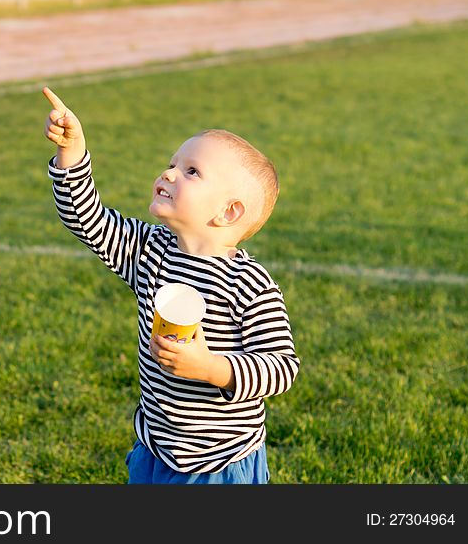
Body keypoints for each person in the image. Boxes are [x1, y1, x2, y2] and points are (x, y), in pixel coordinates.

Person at [42, 86, 300, 483]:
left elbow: (281, 368)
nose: (168, 173)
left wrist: (211, 367)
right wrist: (72, 151)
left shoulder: (250, 284)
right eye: (172, 164)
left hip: (221, 462)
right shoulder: (149, 250)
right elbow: (85, 218)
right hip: (156, 448)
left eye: (191, 171)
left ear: (228, 212)